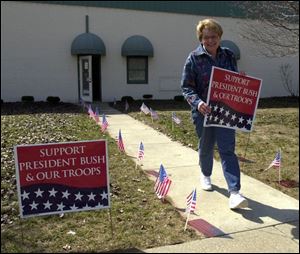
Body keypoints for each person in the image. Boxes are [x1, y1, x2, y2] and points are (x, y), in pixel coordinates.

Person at [181, 18, 248, 209]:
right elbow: (186, 87)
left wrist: (240, 80)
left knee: (227, 149)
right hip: (204, 111)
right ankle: (206, 174)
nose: (211, 40)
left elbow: (233, 80)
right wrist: (198, 103)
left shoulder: (228, 55)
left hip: (225, 111)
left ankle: (235, 192)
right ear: (201, 38)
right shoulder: (193, 58)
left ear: (220, 37)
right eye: (206, 37)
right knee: (207, 146)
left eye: (214, 36)